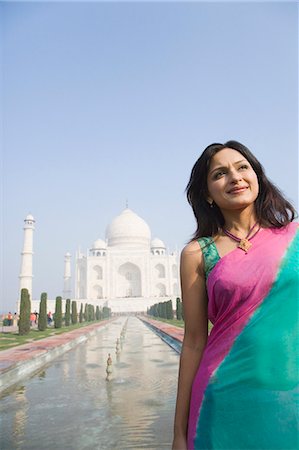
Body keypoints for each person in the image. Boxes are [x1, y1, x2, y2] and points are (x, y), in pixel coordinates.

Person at [172, 140, 298, 450]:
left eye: (243, 167)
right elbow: (193, 342)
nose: (235, 177)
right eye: (220, 174)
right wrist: (179, 433)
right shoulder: (198, 253)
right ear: (206, 193)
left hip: (291, 396)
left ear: (257, 176)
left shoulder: (294, 237)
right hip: (222, 397)